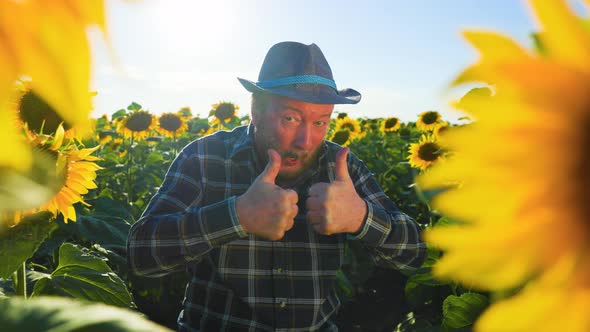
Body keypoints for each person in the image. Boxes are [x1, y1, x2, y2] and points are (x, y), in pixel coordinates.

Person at [127, 41, 426, 331]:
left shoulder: (342, 168)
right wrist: (237, 216)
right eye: (290, 118)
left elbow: (415, 254)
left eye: (321, 122)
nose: (306, 141)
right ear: (255, 111)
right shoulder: (205, 158)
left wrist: (361, 218)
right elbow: (141, 256)